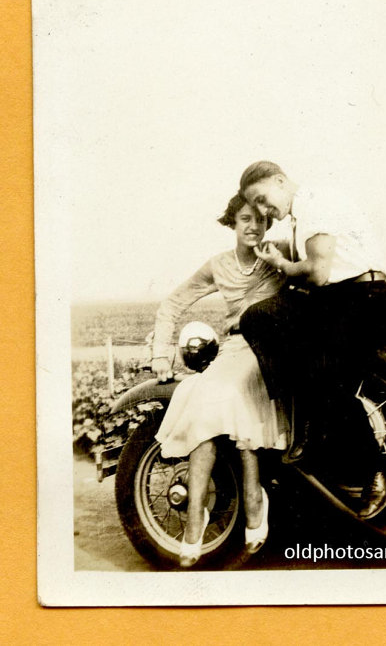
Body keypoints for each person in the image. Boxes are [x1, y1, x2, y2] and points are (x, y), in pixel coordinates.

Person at [239, 161, 386, 520]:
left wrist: (281, 263)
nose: (265, 211)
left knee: (326, 381)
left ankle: (376, 470)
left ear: (280, 180)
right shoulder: (304, 211)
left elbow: (318, 272)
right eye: (256, 207)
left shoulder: (315, 202)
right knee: (257, 318)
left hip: (362, 300)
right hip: (337, 301)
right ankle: (309, 422)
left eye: (263, 199)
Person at [151, 194, 288, 567]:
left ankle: (254, 496)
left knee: (222, 394)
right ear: (232, 222)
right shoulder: (219, 265)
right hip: (235, 350)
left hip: (273, 351)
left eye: (261, 219)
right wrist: (161, 354)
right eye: (245, 218)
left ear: (269, 223)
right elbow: (172, 303)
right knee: (203, 396)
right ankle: (197, 512)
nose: (253, 226)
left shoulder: (281, 255)